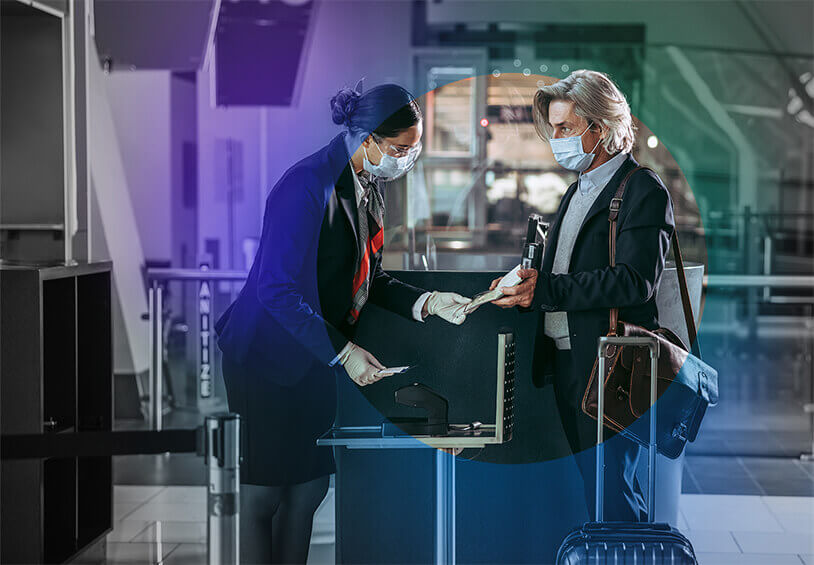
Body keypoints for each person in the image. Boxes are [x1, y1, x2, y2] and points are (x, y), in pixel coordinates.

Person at [214, 83, 474, 564]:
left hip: (311, 355)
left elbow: (370, 277)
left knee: (309, 489)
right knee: (264, 495)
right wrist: (344, 352)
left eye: (413, 149)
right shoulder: (305, 185)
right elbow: (275, 289)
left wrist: (430, 302)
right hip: (265, 357)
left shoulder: (368, 186)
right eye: (400, 149)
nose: (406, 159)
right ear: (366, 138)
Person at [490, 70, 675, 522]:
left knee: (613, 493)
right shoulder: (578, 189)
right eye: (553, 128)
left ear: (602, 128)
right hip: (571, 361)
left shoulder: (641, 189)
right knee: (596, 488)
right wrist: (523, 278)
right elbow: (568, 267)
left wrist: (546, 289)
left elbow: (635, 280)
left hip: (609, 365)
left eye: (566, 128)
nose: (556, 138)